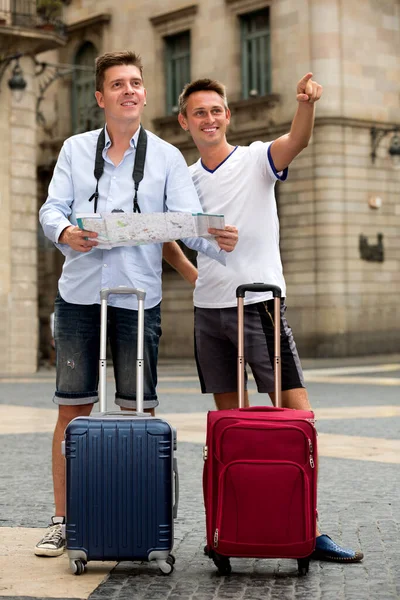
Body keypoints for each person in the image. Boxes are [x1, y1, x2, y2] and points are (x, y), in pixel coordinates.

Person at [35, 51, 238, 558]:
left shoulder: (167, 157)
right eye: (118, 84)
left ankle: (139, 517)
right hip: (79, 294)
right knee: (72, 409)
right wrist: (65, 231)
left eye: (137, 83)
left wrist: (219, 239)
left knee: (140, 412)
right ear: (100, 97)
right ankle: (62, 520)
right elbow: (52, 208)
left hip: (138, 300)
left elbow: (187, 220)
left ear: (145, 94)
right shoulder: (74, 150)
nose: (130, 90)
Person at [164, 74, 364, 563]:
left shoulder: (255, 159)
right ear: (184, 121)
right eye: (199, 113)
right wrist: (193, 274)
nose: (209, 119)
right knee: (232, 424)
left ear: (227, 116)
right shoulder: (185, 180)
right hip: (209, 312)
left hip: (260, 306)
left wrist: (305, 104)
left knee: (296, 418)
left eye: (216, 110)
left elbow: (297, 140)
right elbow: (165, 234)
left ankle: (306, 529)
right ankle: (237, 527)